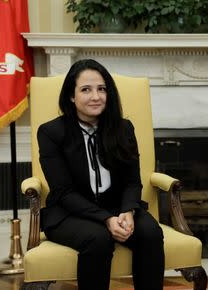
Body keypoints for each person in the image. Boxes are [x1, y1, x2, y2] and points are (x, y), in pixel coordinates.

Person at [38, 59, 164, 290]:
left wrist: (127, 210)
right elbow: (63, 192)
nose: (96, 96)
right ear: (71, 96)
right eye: (86, 89)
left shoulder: (123, 128)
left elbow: (132, 181)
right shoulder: (51, 133)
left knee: (150, 232)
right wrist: (106, 219)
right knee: (98, 238)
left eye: (102, 89)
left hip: (116, 206)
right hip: (68, 212)